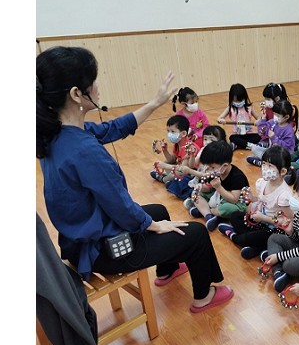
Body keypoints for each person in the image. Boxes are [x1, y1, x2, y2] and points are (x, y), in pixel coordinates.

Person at [36, 46, 233, 313]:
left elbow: (113, 128)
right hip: (104, 251)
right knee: (195, 233)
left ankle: (167, 269)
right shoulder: (84, 150)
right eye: (93, 81)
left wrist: (154, 103)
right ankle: (204, 296)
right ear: (76, 94)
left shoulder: (59, 134)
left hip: (83, 241)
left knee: (159, 210)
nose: (97, 87)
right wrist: (151, 226)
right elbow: (119, 204)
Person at [217, 146, 296, 259]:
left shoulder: (284, 195)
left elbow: (287, 221)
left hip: (274, 228)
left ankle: (233, 235)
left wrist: (263, 218)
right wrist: (253, 199)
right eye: (263, 164)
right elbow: (262, 201)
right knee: (235, 216)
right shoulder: (262, 182)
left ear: (283, 171)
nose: (264, 168)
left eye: (270, 166)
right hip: (260, 221)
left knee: (247, 238)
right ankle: (258, 246)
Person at [186, 141, 250, 232]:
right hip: (218, 196)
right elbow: (209, 189)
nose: (208, 169)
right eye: (207, 166)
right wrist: (201, 187)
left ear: (225, 166)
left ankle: (206, 211)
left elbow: (234, 199)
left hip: (236, 203)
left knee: (227, 208)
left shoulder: (237, 176)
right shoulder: (214, 172)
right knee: (195, 194)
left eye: (212, 167)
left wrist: (218, 187)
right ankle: (208, 216)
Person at [150, 115, 201, 193]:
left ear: (183, 133)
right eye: (168, 131)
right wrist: (165, 150)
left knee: (175, 173)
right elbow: (171, 160)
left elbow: (183, 169)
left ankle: (163, 179)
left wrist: (165, 166)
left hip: (192, 173)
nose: (169, 134)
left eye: (172, 131)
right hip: (181, 167)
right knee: (166, 162)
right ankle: (168, 178)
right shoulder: (178, 143)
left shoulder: (189, 147)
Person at [246, 99, 298, 166]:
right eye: (274, 114)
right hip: (272, 151)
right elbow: (262, 131)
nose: (275, 117)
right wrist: (263, 120)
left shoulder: (289, 130)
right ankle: (267, 161)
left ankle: (263, 162)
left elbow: (286, 147)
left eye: (278, 116)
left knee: (279, 159)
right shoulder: (272, 122)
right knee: (254, 148)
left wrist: (274, 138)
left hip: (283, 154)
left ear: (286, 117)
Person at [217, 83, 261, 150]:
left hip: (248, 133)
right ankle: (249, 145)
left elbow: (259, 118)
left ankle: (238, 145)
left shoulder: (249, 107)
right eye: (235, 101)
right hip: (236, 134)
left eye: (240, 100)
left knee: (258, 137)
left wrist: (258, 121)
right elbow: (219, 118)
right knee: (232, 138)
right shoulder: (230, 108)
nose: (238, 102)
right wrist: (221, 120)